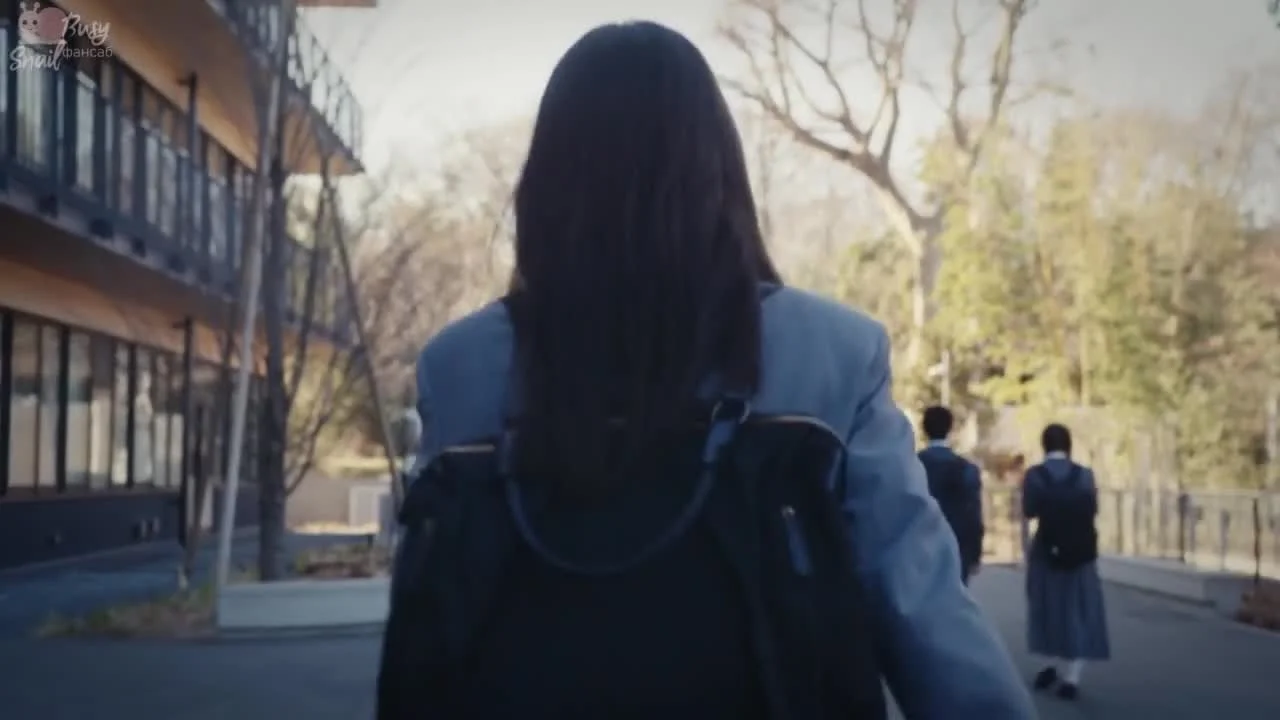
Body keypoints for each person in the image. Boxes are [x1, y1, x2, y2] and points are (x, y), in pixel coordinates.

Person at [379, 20, 1034, 719]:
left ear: (546, 181)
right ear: (717, 170)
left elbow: (432, 616)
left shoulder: (462, 367)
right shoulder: (833, 355)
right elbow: (921, 607)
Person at [1021, 423, 1111, 701]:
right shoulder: (1084, 475)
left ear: (1044, 445)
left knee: (1047, 605)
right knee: (1078, 609)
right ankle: (1072, 676)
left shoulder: (1035, 475)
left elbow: (1029, 511)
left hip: (1046, 549)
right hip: (1080, 551)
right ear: (1069, 445)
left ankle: (1049, 665)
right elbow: (1093, 509)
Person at [917, 406, 984, 585]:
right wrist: (975, 553)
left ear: (924, 428)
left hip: (919, 546)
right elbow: (974, 514)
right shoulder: (967, 469)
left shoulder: (911, 466)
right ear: (950, 428)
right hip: (957, 546)